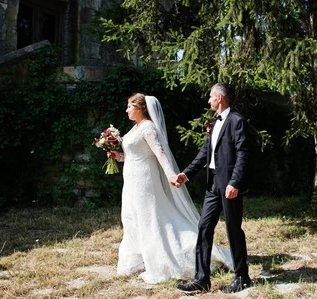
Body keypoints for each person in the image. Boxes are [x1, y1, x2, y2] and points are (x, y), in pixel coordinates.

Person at [108, 93, 233, 284]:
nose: (127, 110)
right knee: (131, 216)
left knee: (148, 217)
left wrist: (170, 175)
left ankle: (165, 261)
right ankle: (137, 258)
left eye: (129, 106)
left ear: (141, 108)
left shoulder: (148, 128)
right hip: (131, 178)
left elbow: (160, 153)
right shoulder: (135, 128)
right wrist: (119, 157)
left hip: (145, 180)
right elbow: (135, 154)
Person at [174, 83, 252, 294]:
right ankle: (201, 279)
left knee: (233, 229)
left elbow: (243, 154)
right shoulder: (215, 123)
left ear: (219, 98)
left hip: (229, 184)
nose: (208, 100)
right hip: (213, 184)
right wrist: (186, 174)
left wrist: (234, 182)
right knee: (204, 227)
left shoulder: (237, 121)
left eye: (210, 97)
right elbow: (205, 153)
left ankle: (242, 277)